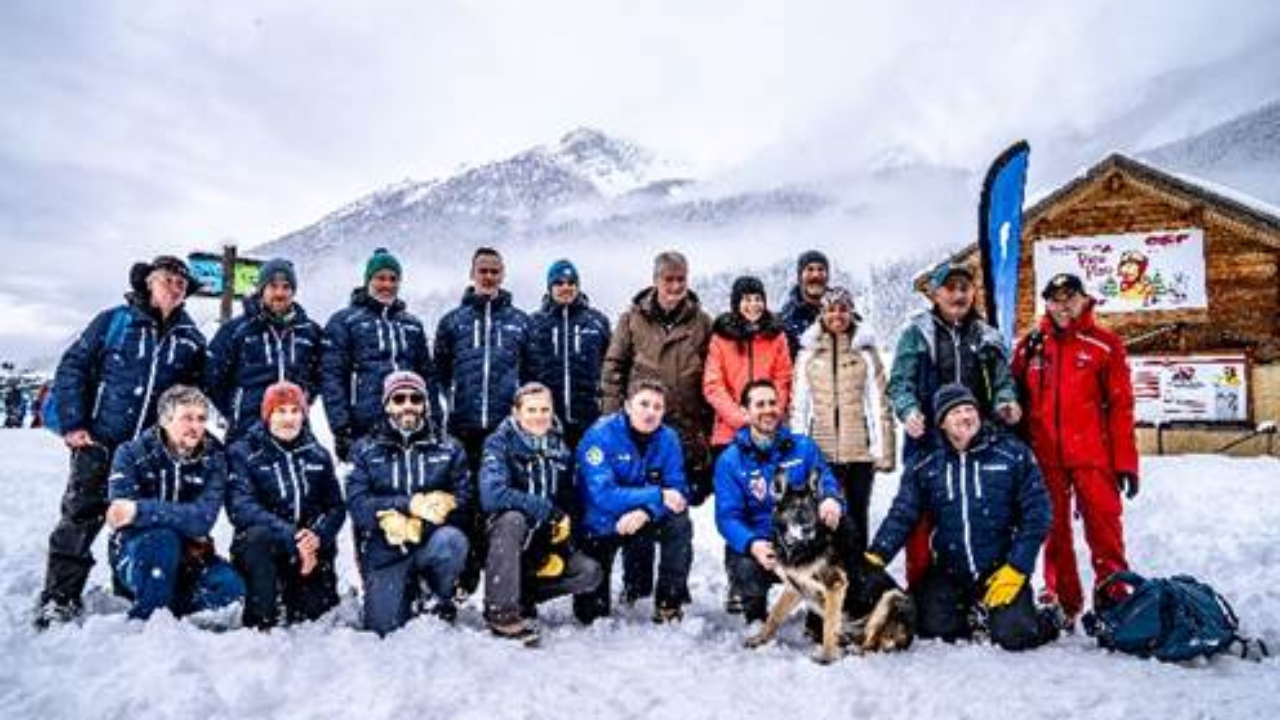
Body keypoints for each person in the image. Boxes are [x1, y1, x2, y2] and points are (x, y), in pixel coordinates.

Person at [35, 256, 208, 628]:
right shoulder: (115, 321)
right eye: (168, 279)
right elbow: (73, 367)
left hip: (148, 452)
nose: (175, 287)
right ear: (149, 282)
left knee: (136, 519)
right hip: (98, 442)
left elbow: (196, 392)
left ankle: (130, 585)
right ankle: (59, 598)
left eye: (182, 283)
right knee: (80, 518)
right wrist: (73, 423)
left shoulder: (190, 339)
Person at [866, 384, 1057, 651]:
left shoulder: (1012, 453)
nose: (966, 416)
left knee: (1015, 635)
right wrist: (877, 555)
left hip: (999, 570)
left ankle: (1047, 617)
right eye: (956, 412)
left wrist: (1017, 567)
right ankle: (971, 612)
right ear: (942, 422)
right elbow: (903, 513)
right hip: (950, 570)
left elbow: (1038, 513)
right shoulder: (927, 462)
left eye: (970, 410)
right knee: (927, 625)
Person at [1011, 273, 1139, 627]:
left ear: (1084, 299)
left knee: (1104, 530)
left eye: (1070, 296)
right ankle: (1062, 600)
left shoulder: (1105, 344)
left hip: (1093, 458)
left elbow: (1121, 407)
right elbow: (1014, 401)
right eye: (1054, 298)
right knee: (1053, 531)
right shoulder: (1030, 346)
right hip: (1045, 459)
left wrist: (1126, 462)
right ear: (1046, 304)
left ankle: (1113, 595)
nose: (1062, 304)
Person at [886, 260, 1021, 587]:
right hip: (928, 441)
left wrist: (1006, 402)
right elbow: (899, 384)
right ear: (934, 294)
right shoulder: (916, 334)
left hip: (979, 442)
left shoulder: (988, 337)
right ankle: (920, 591)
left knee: (979, 516)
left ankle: (980, 587)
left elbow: (1004, 382)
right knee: (919, 519)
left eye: (965, 287)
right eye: (951, 288)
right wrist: (908, 412)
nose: (959, 294)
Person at [345, 371, 471, 636]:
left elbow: (465, 499)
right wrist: (406, 505)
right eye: (399, 398)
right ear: (387, 405)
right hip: (385, 547)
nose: (408, 405)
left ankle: (438, 593)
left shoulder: (449, 447)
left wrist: (437, 511)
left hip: (432, 541)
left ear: (425, 403)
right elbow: (357, 504)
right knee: (383, 628)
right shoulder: (365, 449)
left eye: (416, 398)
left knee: (453, 541)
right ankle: (402, 588)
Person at [104, 385, 244, 621]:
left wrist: (140, 510)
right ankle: (148, 621)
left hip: (193, 556)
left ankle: (171, 603)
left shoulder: (215, 458)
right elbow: (121, 516)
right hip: (137, 553)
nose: (196, 426)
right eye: (187, 418)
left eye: (201, 418)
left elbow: (202, 519)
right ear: (166, 420)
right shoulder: (130, 453)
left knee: (231, 589)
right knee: (161, 540)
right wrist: (177, 522)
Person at [478, 382, 602, 642]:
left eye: (545, 409)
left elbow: (569, 499)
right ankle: (501, 613)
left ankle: (523, 594)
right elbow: (493, 495)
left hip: (543, 541)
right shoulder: (498, 443)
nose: (539, 416)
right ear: (516, 412)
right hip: (505, 536)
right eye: (531, 410)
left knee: (589, 572)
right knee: (513, 519)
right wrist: (547, 510)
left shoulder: (559, 446)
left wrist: (562, 547)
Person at [714, 380, 843, 622]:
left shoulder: (802, 447)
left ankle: (818, 620)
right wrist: (752, 543)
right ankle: (756, 617)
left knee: (836, 544)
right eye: (759, 404)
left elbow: (825, 476)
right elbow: (727, 516)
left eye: (773, 403)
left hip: (803, 539)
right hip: (763, 543)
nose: (768, 409)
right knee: (744, 563)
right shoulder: (730, 460)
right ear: (745, 411)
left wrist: (830, 498)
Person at [226, 381, 345, 629]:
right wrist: (292, 536)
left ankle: (294, 593)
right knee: (258, 536)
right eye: (280, 411)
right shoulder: (243, 453)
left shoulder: (317, 454)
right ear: (267, 415)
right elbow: (242, 507)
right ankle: (263, 612)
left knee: (314, 613)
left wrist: (317, 536)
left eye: (295, 410)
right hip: (266, 547)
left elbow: (335, 507)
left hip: (307, 552)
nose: (288, 418)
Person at [573, 380, 693, 624]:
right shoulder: (600, 435)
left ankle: (668, 601)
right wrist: (656, 496)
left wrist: (647, 511)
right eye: (644, 404)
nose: (651, 412)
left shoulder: (668, 438)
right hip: (601, 523)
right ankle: (613, 588)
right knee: (591, 615)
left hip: (642, 518)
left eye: (658, 407)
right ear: (628, 406)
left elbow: (678, 490)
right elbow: (602, 495)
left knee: (679, 522)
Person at [791, 287, 896, 555]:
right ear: (822, 314)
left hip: (858, 450)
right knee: (824, 513)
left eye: (842, 309)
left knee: (857, 513)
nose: (837, 315)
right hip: (821, 451)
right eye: (831, 309)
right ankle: (828, 572)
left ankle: (858, 574)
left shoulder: (865, 351)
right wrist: (797, 452)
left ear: (851, 312)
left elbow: (878, 402)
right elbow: (800, 407)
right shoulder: (808, 353)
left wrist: (883, 451)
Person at [321, 248, 439, 463]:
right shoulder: (345, 321)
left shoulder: (411, 324)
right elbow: (332, 377)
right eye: (380, 278)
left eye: (393, 279)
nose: (387, 285)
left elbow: (427, 375)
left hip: (408, 421)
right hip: (364, 425)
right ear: (368, 280)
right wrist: (341, 428)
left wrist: (435, 419)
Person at [433, 247, 533, 470]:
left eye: (494, 272)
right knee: (464, 493)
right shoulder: (451, 322)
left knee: (498, 490)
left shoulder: (521, 322)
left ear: (503, 274)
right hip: (462, 425)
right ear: (472, 273)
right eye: (483, 271)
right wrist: (453, 400)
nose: (488, 277)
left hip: (506, 426)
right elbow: (440, 370)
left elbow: (530, 374)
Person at [206, 258, 325, 444]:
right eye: (273, 286)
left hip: (294, 430)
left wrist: (302, 400)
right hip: (246, 432)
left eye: (286, 287)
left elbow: (321, 374)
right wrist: (236, 409)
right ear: (262, 289)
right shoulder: (236, 330)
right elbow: (211, 377)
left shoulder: (310, 331)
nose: (280, 293)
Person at [703, 275, 793, 486]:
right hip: (729, 433)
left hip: (769, 431)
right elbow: (713, 384)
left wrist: (770, 411)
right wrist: (738, 416)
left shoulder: (776, 336)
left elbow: (783, 377)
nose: (753, 305)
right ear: (736, 303)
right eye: (746, 299)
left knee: (768, 497)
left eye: (758, 299)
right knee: (733, 498)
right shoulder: (721, 337)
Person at [526, 259, 612, 448]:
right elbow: (524, 370)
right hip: (546, 420)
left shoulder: (597, 322)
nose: (566, 287)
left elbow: (611, 367)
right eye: (559, 283)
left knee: (589, 474)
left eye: (571, 283)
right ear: (549, 287)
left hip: (590, 419)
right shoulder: (533, 323)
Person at [780, 250, 831, 357]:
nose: (816, 275)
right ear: (800, 277)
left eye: (820, 269)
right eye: (810, 269)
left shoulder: (843, 314)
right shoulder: (785, 321)